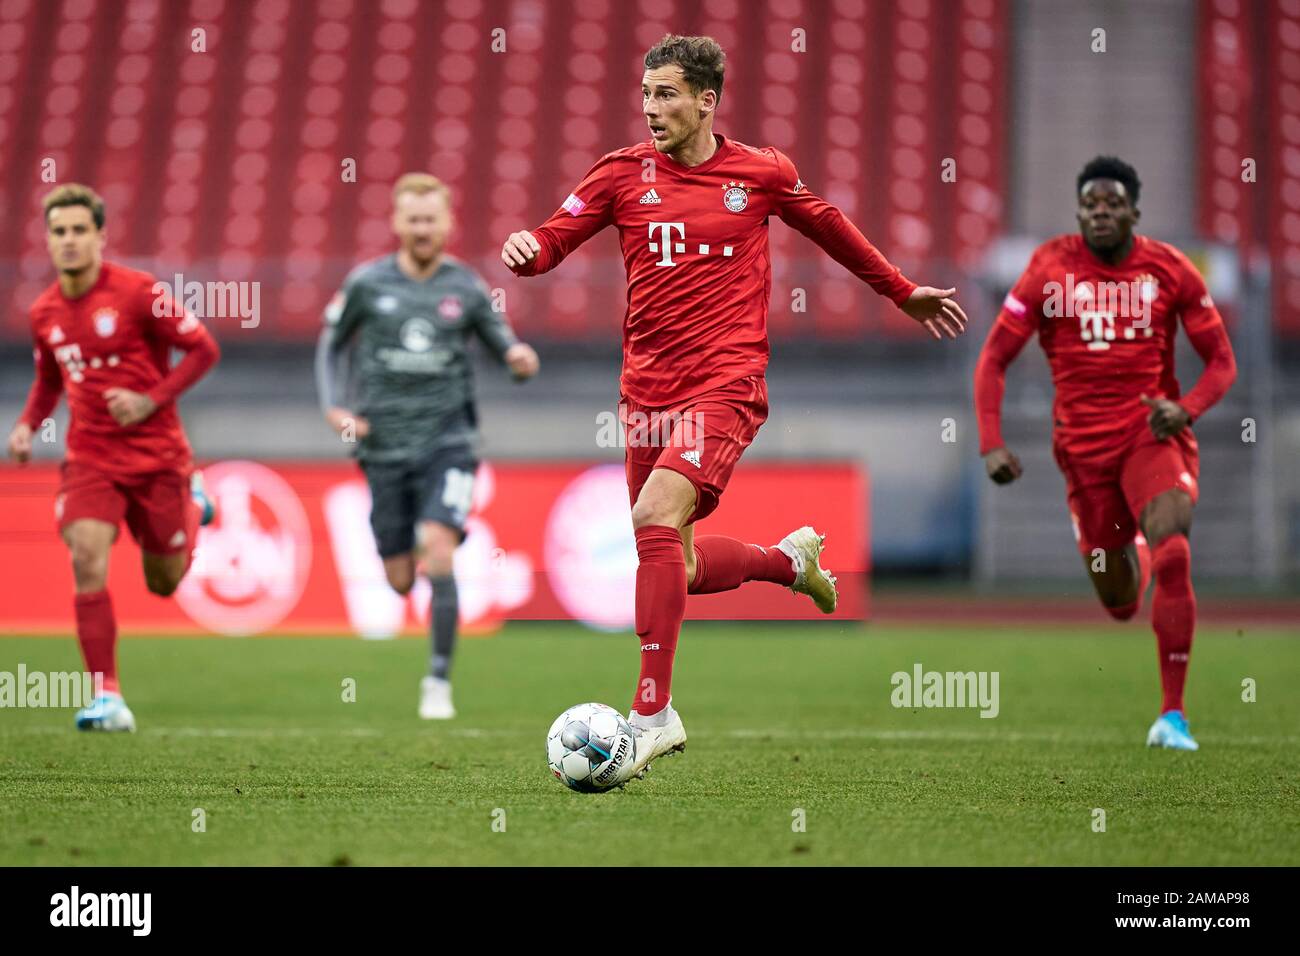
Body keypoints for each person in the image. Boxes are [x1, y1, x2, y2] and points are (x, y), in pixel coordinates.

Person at [502, 36, 967, 782]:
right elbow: (555, 238)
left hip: (727, 381)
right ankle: (787, 561)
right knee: (675, 564)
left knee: (653, 516)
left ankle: (652, 715)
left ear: (707, 100)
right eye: (647, 93)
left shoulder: (761, 172)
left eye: (667, 94)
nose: (651, 108)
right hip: (645, 392)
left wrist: (899, 289)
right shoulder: (623, 173)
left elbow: (831, 226)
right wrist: (528, 247)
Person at [973, 156, 1237, 751]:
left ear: (1133, 212)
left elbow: (1222, 361)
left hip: (1151, 433)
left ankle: (1173, 716)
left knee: (1173, 549)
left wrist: (1187, 408)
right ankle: (1133, 554)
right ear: (1078, 211)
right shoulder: (1049, 268)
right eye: (1090, 203)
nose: (1100, 212)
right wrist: (991, 444)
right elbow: (993, 359)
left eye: (1112, 203)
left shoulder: (1170, 270)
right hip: (1082, 451)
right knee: (1118, 600)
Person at [317, 173, 539, 720]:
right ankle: (408, 542)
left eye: (430, 219)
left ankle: (437, 681)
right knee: (397, 579)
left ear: (446, 223)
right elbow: (330, 344)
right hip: (383, 446)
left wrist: (518, 359)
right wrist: (336, 408)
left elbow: (503, 345)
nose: (421, 228)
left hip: (449, 442)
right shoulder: (368, 284)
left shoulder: (465, 288)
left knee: (439, 551)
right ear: (396, 223)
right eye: (412, 219)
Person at [6, 183, 220, 732]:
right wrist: (29, 425)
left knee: (165, 582)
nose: (69, 240)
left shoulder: (139, 292)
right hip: (91, 456)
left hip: (157, 458)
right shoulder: (44, 312)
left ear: (100, 236)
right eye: (59, 232)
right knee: (85, 556)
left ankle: (194, 501)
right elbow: (50, 377)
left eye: (80, 230)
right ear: (48, 241)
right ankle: (107, 696)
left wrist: (150, 399)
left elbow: (204, 349)